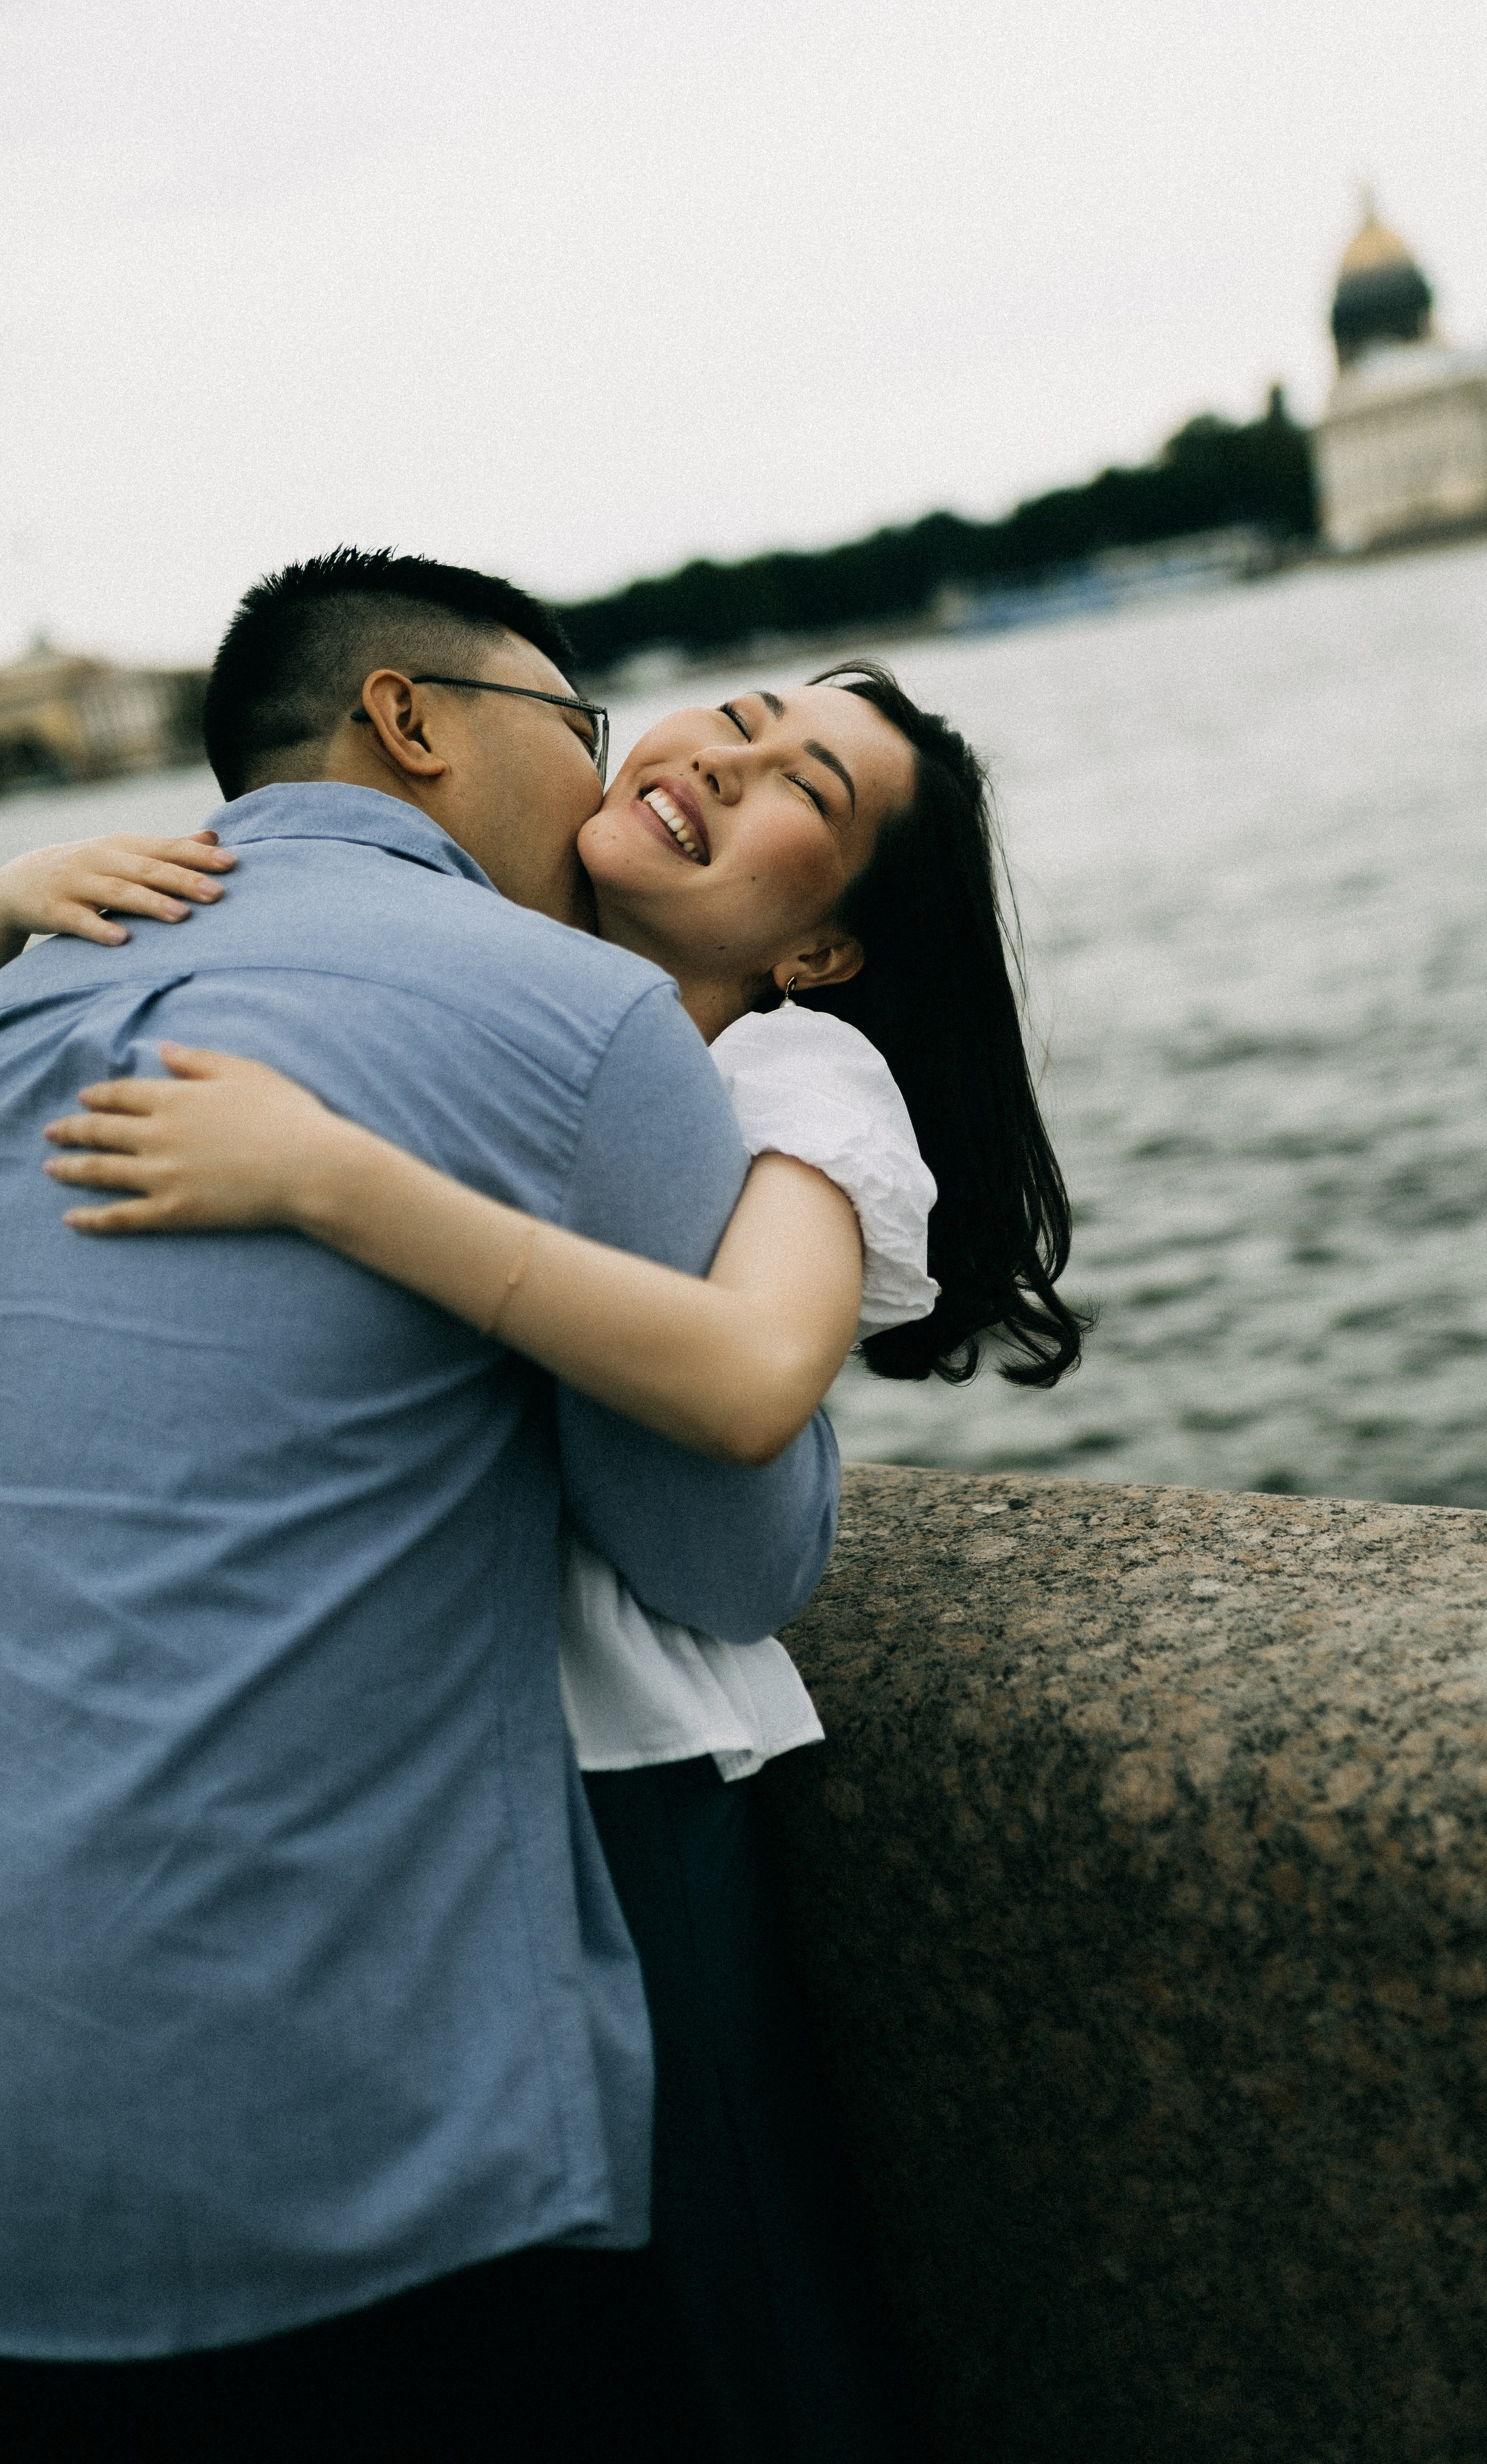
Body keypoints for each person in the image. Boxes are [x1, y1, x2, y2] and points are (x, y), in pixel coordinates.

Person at [2, 622, 1085, 2456]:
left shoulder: (794, 1075)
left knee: (713, 2308)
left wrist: (330, 1177)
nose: (723, 759)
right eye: (735, 719)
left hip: (624, 1769)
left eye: (804, 789)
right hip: (411, 1779)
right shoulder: (481, 987)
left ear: (822, 948)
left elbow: (751, 1394)